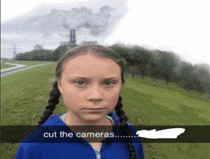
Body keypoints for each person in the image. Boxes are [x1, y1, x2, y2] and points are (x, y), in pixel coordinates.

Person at [14, 45, 145, 159]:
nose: (95, 96)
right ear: (60, 85)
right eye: (80, 82)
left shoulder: (129, 134)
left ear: (120, 85)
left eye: (108, 83)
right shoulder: (35, 146)